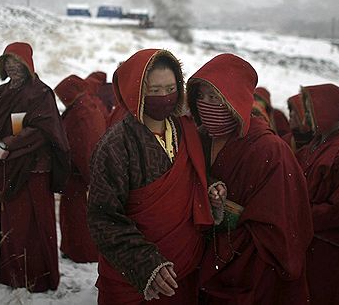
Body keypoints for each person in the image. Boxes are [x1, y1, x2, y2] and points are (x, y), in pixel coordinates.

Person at [87, 49, 216, 304]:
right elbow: (103, 218)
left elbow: (191, 180)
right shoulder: (116, 145)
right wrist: (145, 263)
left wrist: (211, 189)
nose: (165, 97)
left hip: (184, 270)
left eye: (170, 88)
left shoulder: (185, 129)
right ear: (137, 93)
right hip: (135, 278)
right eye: (154, 91)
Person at [187, 53, 313, 305]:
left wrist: (226, 214)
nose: (206, 104)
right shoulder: (198, 138)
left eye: (215, 98)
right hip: (202, 258)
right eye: (201, 97)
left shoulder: (269, 149)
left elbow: (282, 226)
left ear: (235, 100)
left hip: (249, 268)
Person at [0, 42, 70, 292]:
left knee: (36, 223)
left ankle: (39, 279)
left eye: (17, 63)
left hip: (34, 169)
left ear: (28, 65)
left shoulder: (41, 93)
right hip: (6, 168)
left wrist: (7, 145)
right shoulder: (0, 92)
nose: (13, 68)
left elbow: (42, 130)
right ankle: (13, 276)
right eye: (8, 63)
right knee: (12, 224)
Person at [295, 83, 339, 305]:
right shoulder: (313, 145)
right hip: (307, 242)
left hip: (328, 248)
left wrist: (298, 216)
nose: (307, 114)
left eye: (311, 108)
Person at [54, 74, 107, 263]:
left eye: (63, 96)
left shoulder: (83, 112)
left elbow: (87, 146)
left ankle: (83, 253)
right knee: (72, 217)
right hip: (75, 175)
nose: (62, 100)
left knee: (78, 218)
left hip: (79, 177)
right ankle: (72, 249)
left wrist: (90, 178)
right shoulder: (82, 106)